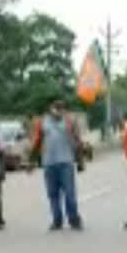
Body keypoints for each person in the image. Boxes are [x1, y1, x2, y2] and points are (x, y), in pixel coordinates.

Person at [31, 99, 85, 231]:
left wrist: (80, 161)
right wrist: (31, 160)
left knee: (69, 193)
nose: (57, 110)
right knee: (53, 194)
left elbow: (78, 142)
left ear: (64, 110)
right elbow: (36, 142)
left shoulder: (69, 122)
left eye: (60, 108)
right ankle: (57, 220)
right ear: (50, 109)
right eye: (55, 108)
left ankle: (73, 219)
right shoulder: (42, 122)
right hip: (49, 163)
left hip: (66, 162)